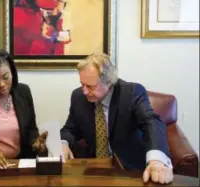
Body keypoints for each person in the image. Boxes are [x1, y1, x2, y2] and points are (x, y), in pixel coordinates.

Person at [60, 53, 174, 184]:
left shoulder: (131, 93)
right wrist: (63, 144)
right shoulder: (78, 96)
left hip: (129, 170)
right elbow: (70, 128)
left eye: (90, 86)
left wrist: (157, 160)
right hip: (94, 170)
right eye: (82, 84)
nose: (84, 91)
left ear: (108, 82)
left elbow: (151, 122)